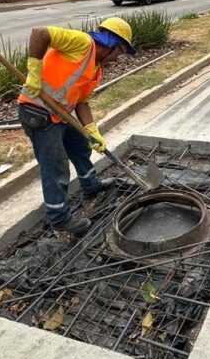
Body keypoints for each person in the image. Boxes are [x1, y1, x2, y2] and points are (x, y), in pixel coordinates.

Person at [17, 17, 135, 236]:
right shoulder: (82, 43)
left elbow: (82, 102)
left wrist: (92, 130)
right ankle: (59, 218)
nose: (119, 58)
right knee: (55, 165)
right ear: (110, 42)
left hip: (59, 114)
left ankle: (90, 185)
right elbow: (40, 32)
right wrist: (34, 69)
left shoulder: (95, 68)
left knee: (81, 144)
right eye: (121, 51)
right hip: (37, 111)